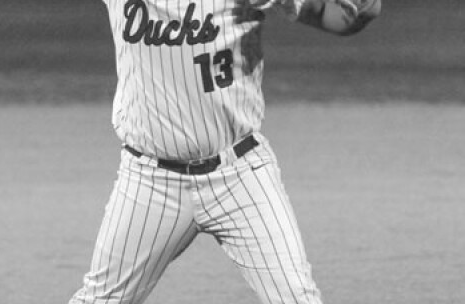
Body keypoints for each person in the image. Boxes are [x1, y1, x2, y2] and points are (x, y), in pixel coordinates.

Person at [69, 0, 381, 303]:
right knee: (101, 299)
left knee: (296, 297)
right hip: (149, 182)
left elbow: (328, 13)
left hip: (241, 177)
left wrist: (361, 11)